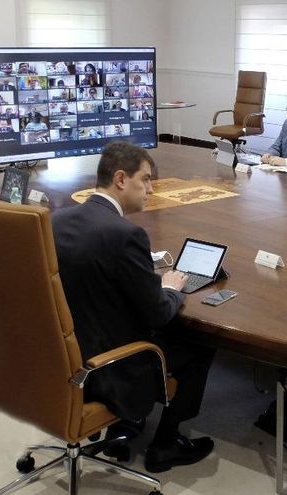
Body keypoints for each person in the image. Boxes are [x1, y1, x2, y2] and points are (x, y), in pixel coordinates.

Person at [51, 142, 216, 473]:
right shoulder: (126, 234)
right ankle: (166, 445)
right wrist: (170, 288)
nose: (151, 189)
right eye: (146, 180)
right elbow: (157, 313)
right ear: (121, 179)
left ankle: (126, 425)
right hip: (110, 368)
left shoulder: (57, 220)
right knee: (199, 346)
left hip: (62, 360)